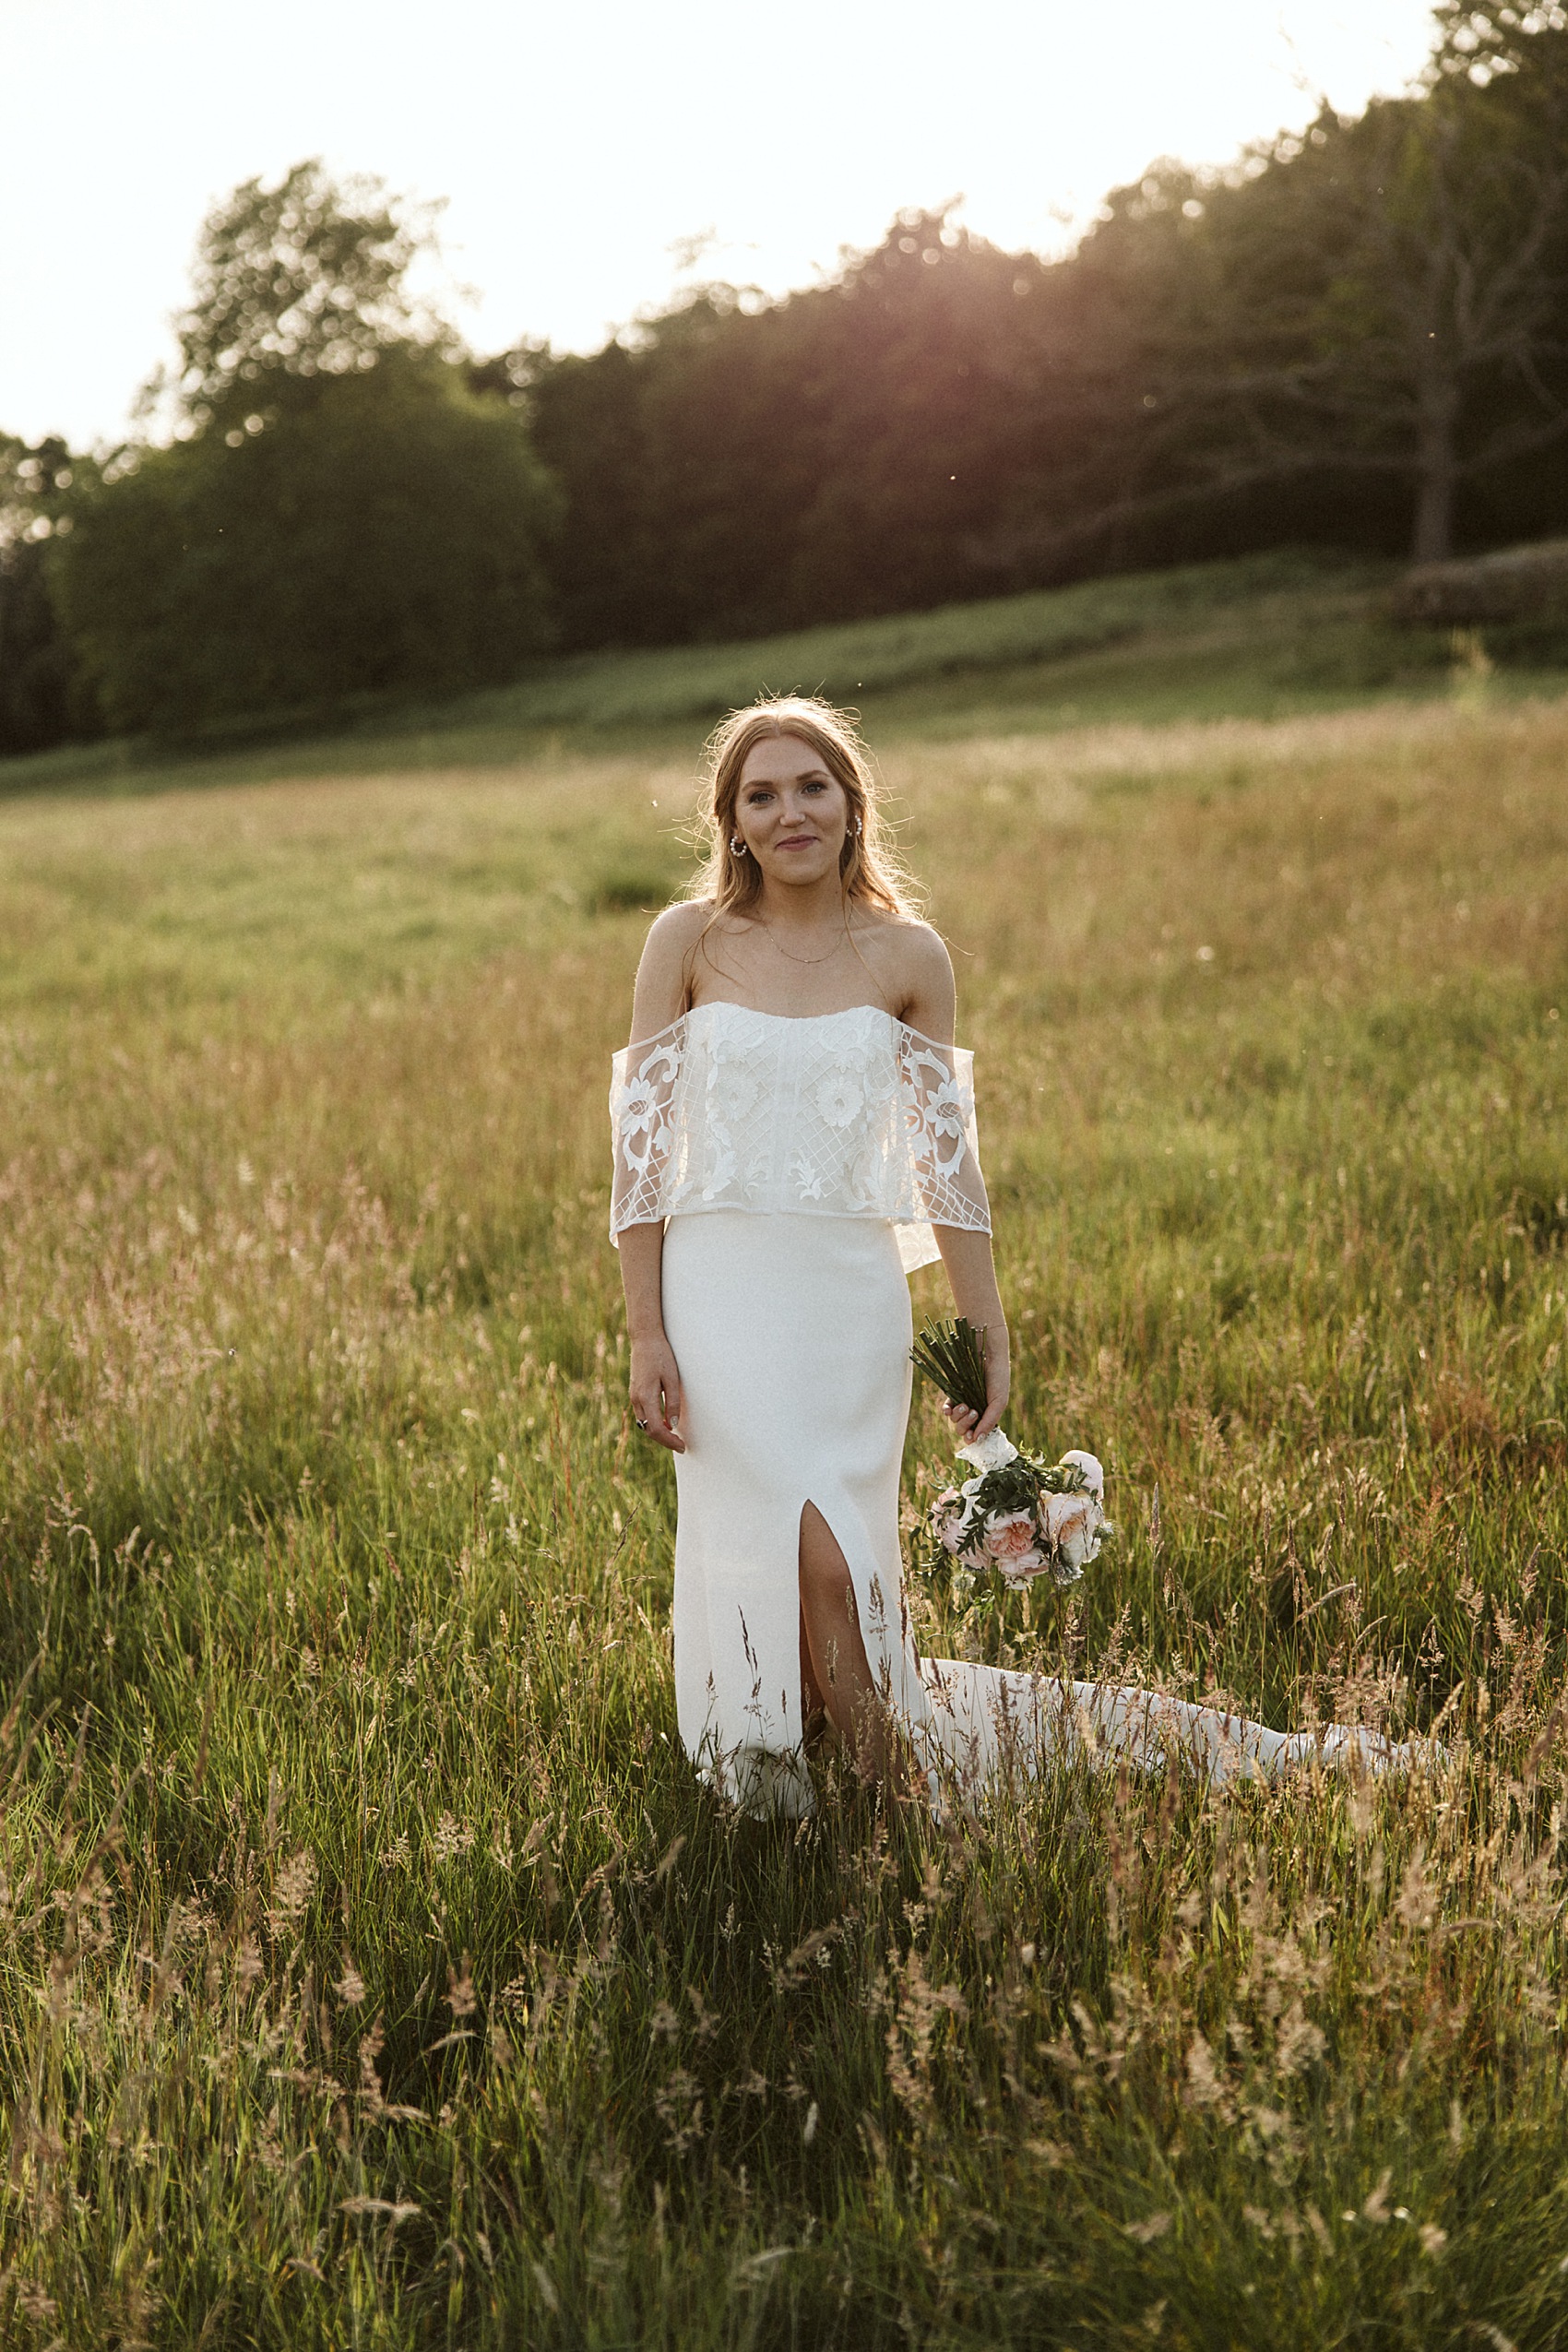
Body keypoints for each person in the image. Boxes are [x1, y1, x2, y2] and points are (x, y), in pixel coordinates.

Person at [609, 696, 1413, 1817]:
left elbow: (947, 1167)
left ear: (851, 808)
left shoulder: (906, 955)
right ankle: (849, 1783)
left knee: (837, 1558)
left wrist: (985, 1331)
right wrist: (646, 1326)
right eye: (761, 794)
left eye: (812, 788)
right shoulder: (685, 941)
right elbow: (641, 1152)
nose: (789, 811)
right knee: (783, 1558)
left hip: (847, 1307)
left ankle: (879, 1791)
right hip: (719, 1299)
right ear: (731, 822)